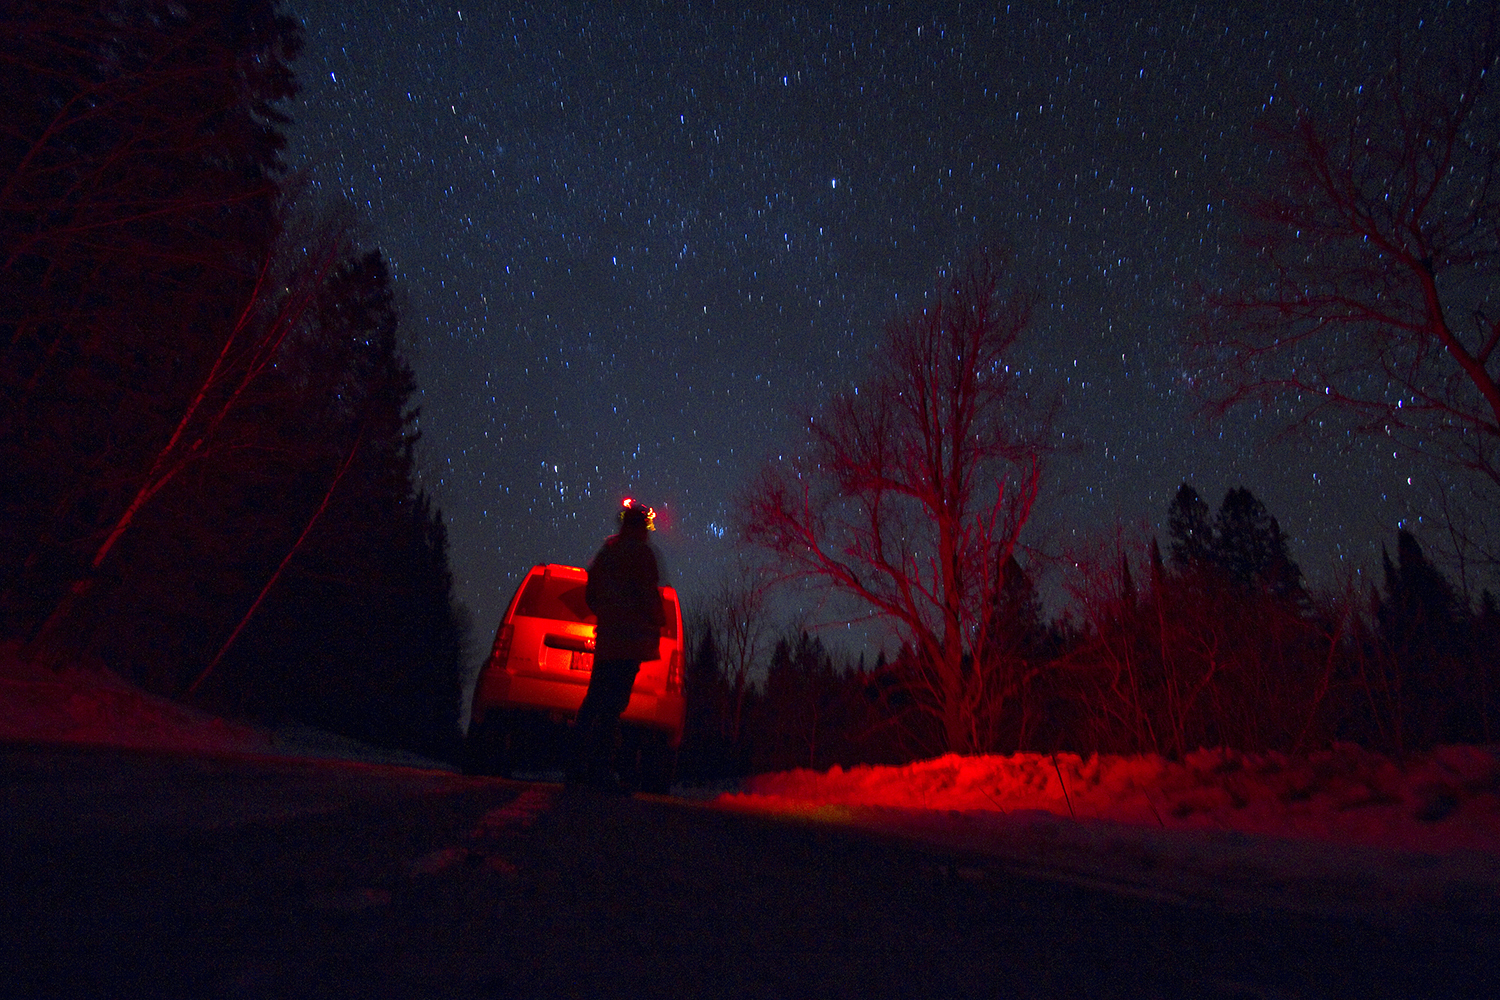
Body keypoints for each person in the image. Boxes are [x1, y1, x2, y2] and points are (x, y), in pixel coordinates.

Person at [569, 500, 665, 791]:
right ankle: (600, 770)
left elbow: (591, 593)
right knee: (612, 706)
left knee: (594, 700)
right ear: (640, 528)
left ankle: (576, 767)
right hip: (629, 641)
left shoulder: (607, 554)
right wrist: (657, 621)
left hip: (609, 639)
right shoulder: (642, 555)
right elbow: (648, 595)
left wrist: (607, 613)